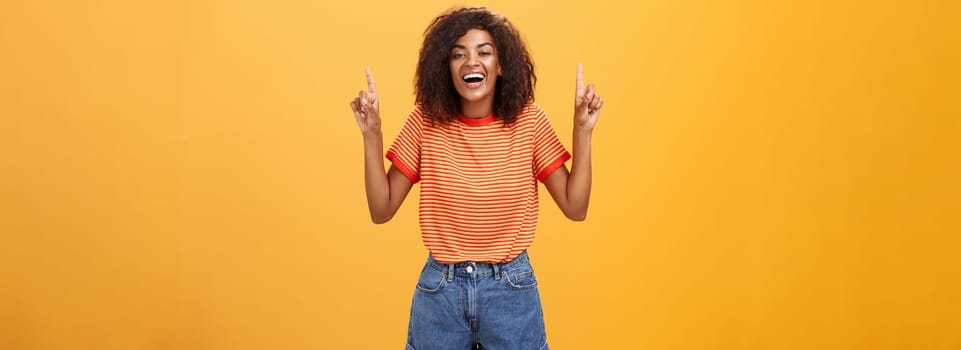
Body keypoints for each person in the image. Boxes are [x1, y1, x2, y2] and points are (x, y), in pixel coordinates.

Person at [349, 6, 603, 350]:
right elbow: (381, 210)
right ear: (446, 67)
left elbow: (576, 207)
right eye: (459, 54)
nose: (472, 62)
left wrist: (582, 130)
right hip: (441, 290)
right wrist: (372, 134)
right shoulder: (425, 123)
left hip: (510, 288)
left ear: (501, 66)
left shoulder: (529, 121)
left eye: (484, 52)